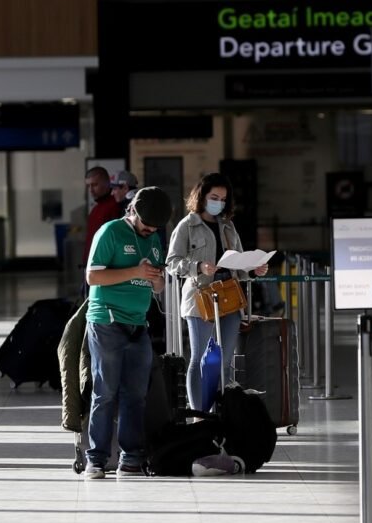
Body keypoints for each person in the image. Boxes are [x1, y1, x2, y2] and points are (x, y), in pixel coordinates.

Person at [83, 186, 172, 479]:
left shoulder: (155, 238)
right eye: (146, 227)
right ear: (132, 211)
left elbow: (157, 286)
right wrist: (134, 271)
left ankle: (131, 458)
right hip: (107, 321)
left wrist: (156, 279)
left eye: (154, 229)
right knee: (105, 392)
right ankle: (96, 459)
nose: (149, 232)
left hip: (138, 323)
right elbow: (93, 276)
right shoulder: (110, 232)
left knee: (136, 395)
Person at [166, 173, 268, 412]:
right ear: (201, 197)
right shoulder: (187, 225)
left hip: (230, 297)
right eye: (214, 197)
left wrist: (253, 269)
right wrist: (198, 266)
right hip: (200, 297)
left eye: (223, 199)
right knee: (200, 358)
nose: (218, 203)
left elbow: (239, 261)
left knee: (224, 359)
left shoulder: (227, 226)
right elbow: (171, 262)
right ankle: (199, 413)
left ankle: (220, 413)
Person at [84, 166, 120, 259]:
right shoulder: (95, 209)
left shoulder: (114, 206)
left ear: (107, 184)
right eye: (88, 186)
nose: (91, 190)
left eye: (95, 185)